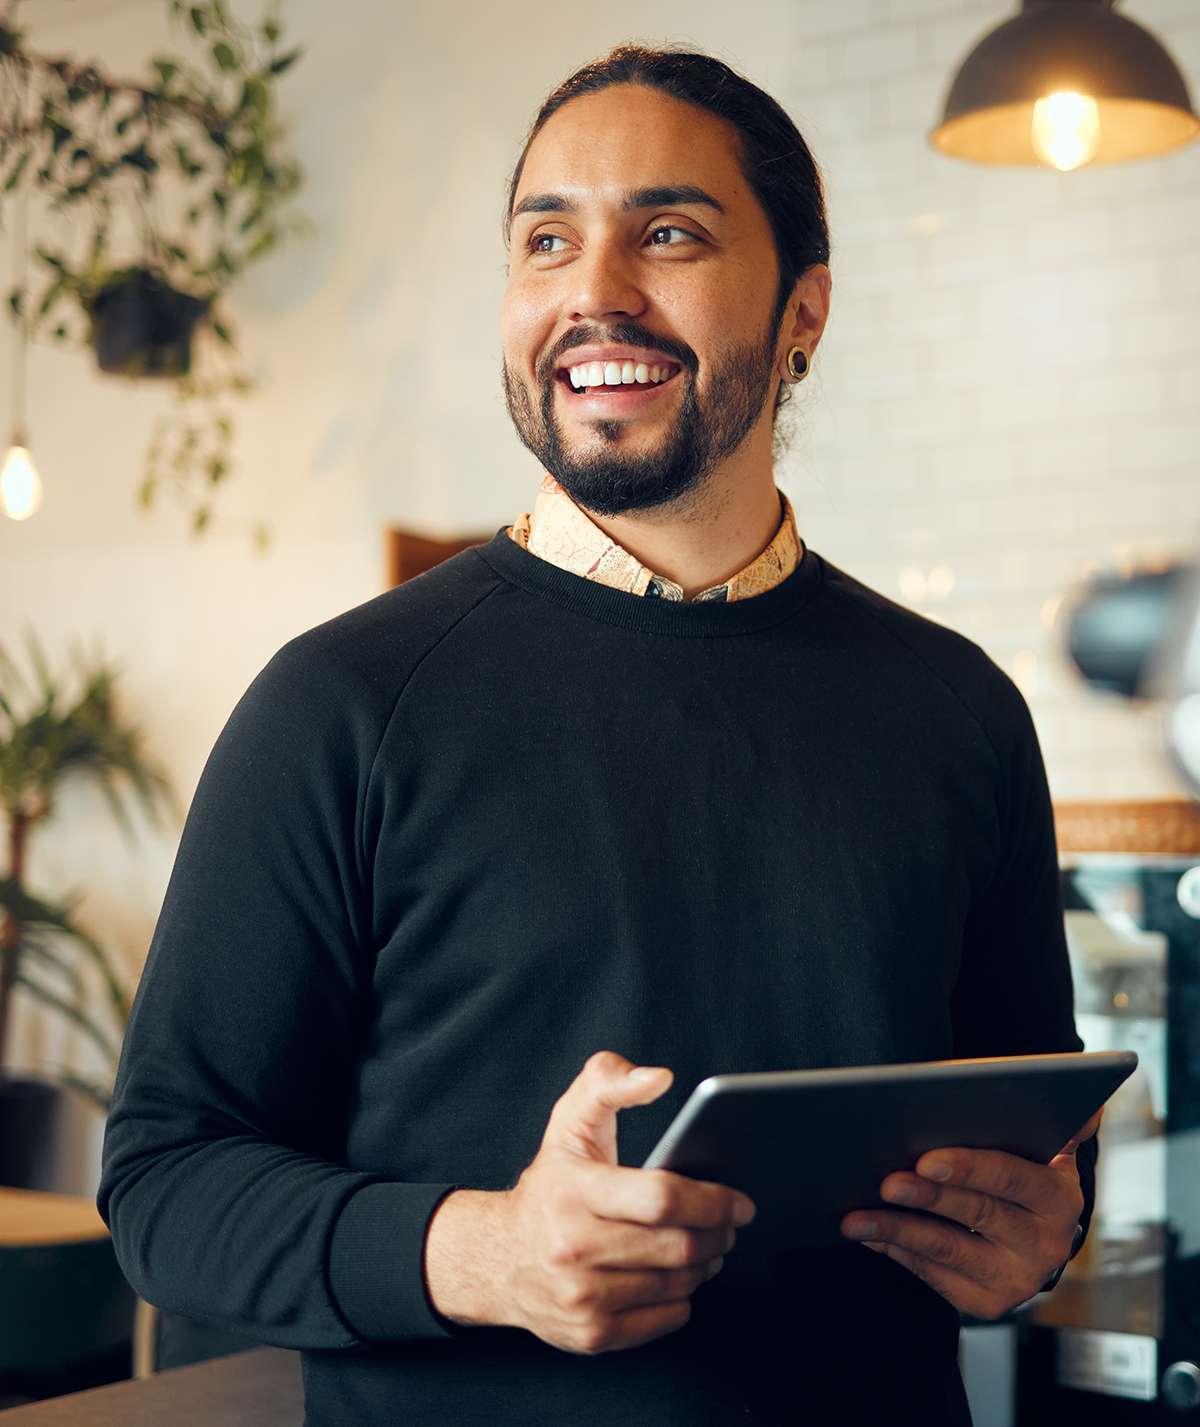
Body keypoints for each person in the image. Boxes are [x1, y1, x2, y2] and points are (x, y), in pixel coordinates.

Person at [101, 46, 1096, 1425]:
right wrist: (484, 1255)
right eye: (547, 240)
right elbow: (166, 1183)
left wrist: (1040, 1244)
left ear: (804, 312)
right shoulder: (341, 704)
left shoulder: (962, 709)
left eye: (669, 232)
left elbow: (1034, 1149)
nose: (592, 293)